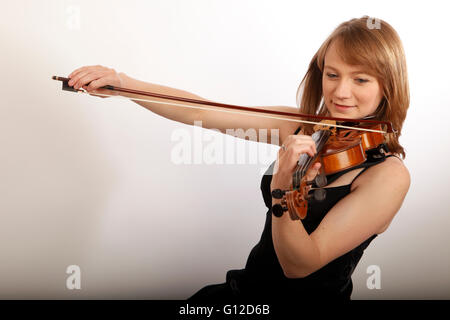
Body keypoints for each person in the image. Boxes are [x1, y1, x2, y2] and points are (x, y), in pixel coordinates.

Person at [67, 16, 410, 301]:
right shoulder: (307, 128)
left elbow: (301, 264)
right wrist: (123, 84)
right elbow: (202, 112)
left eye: (360, 79)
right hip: (244, 293)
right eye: (332, 74)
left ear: (388, 86)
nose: (340, 91)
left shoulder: (388, 176)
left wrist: (282, 189)